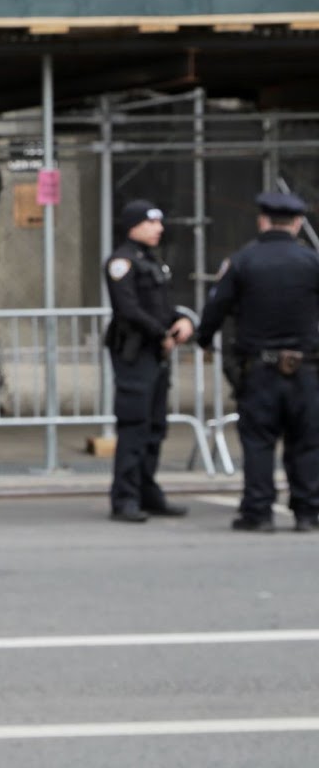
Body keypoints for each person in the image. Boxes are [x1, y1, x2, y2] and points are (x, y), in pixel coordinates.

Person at [195, 191, 319, 533]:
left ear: (262, 221)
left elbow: (216, 308)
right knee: (307, 442)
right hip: (307, 369)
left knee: (259, 443)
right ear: (296, 224)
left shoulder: (243, 261)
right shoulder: (312, 262)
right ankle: (308, 512)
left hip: (259, 370)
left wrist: (203, 339)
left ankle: (259, 512)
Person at [103, 199, 193, 523]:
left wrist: (181, 320)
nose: (159, 228)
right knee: (134, 425)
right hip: (135, 352)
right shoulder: (121, 262)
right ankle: (125, 497)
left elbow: (162, 305)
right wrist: (162, 334)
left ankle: (146, 490)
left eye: (159, 222)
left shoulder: (151, 262)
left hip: (155, 352)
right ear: (133, 226)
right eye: (151, 223)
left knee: (155, 425)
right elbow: (128, 309)